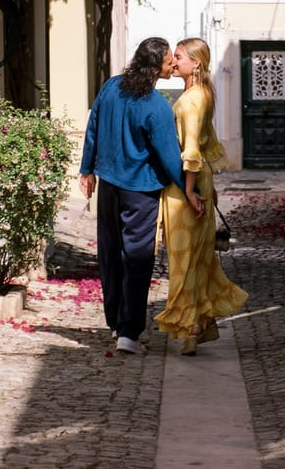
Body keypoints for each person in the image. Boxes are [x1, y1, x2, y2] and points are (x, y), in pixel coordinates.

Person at [79, 37, 199, 355]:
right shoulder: (156, 105)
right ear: (155, 66)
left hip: (108, 186)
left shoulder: (111, 87)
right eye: (169, 60)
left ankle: (117, 324)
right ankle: (129, 333)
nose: (174, 63)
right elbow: (169, 155)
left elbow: (93, 126)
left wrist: (86, 169)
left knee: (110, 254)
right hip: (141, 191)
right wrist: (191, 190)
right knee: (137, 259)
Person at [154, 37, 248, 355]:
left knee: (184, 259)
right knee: (197, 257)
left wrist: (190, 190)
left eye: (178, 56)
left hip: (186, 184)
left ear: (195, 62)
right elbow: (208, 146)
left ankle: (192, 326)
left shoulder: (192, 100)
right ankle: (200, 323)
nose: (174, 61)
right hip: (199, 180)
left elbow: (192, 148)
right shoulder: (202, 93)